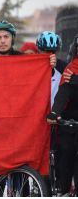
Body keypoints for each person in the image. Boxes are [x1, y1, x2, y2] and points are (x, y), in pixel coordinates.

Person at [46, 34, 78, 195]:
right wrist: (54, 112)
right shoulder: (71, 68)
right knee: (65, 157)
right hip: (70, 121)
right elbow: (63, 93)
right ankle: (64, 191)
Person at [36, 31, 66, 107]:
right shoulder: (33, 66)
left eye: (53, 52)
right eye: (45, 51)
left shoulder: (63, 66)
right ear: (39, 50)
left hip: (56, 113)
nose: (50, 55)